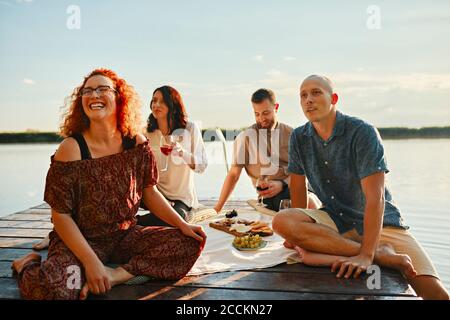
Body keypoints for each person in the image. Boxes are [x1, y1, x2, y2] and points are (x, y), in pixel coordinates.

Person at [11, 69, 206, 300]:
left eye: (103, 89)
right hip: (82, 241)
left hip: (125, 236)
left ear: (119, 98)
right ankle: (26, 264)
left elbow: (149, 193)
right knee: (57, 290)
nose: (94, 94)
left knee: (189, 242)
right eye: (88, 91)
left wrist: (182, 224)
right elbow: (60, 216)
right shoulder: (71, 148)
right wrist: (91, 262)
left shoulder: (135, 142)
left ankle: (116, 274)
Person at [272, 74, 449, 300]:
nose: (308, 100)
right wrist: (296, 235)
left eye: (316, 92)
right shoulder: (299, 137)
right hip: (335, 220)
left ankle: (372, 249)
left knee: (435, 294)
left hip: (381, 224)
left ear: (333, 98)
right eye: (303, 95)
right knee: (282, 220)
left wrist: (366, 254)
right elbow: (298, 187)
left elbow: (376, 199)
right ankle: (381, 255)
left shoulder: (362, 132)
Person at [214, 88, 320, 213]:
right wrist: (217, 208)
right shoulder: (245, 138)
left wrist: (283, 184)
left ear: (276, 107)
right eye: (256, 114)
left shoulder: (292, 134)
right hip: (271, 196)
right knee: (311, 204)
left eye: (266, 113)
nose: (261, 119)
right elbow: (233, 174)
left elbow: (305, 172)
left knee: (321, 200)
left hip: (302, 184)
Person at [137, 86, 207, 226]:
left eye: (162, 101)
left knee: (177, 219)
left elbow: (201, 166)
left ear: (173, 106)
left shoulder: (190, 129)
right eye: (154, 100)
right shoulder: (146, 132)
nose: (156, 105)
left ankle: (135, 222)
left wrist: (182, 153)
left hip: (180, 198)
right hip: (154, 195)